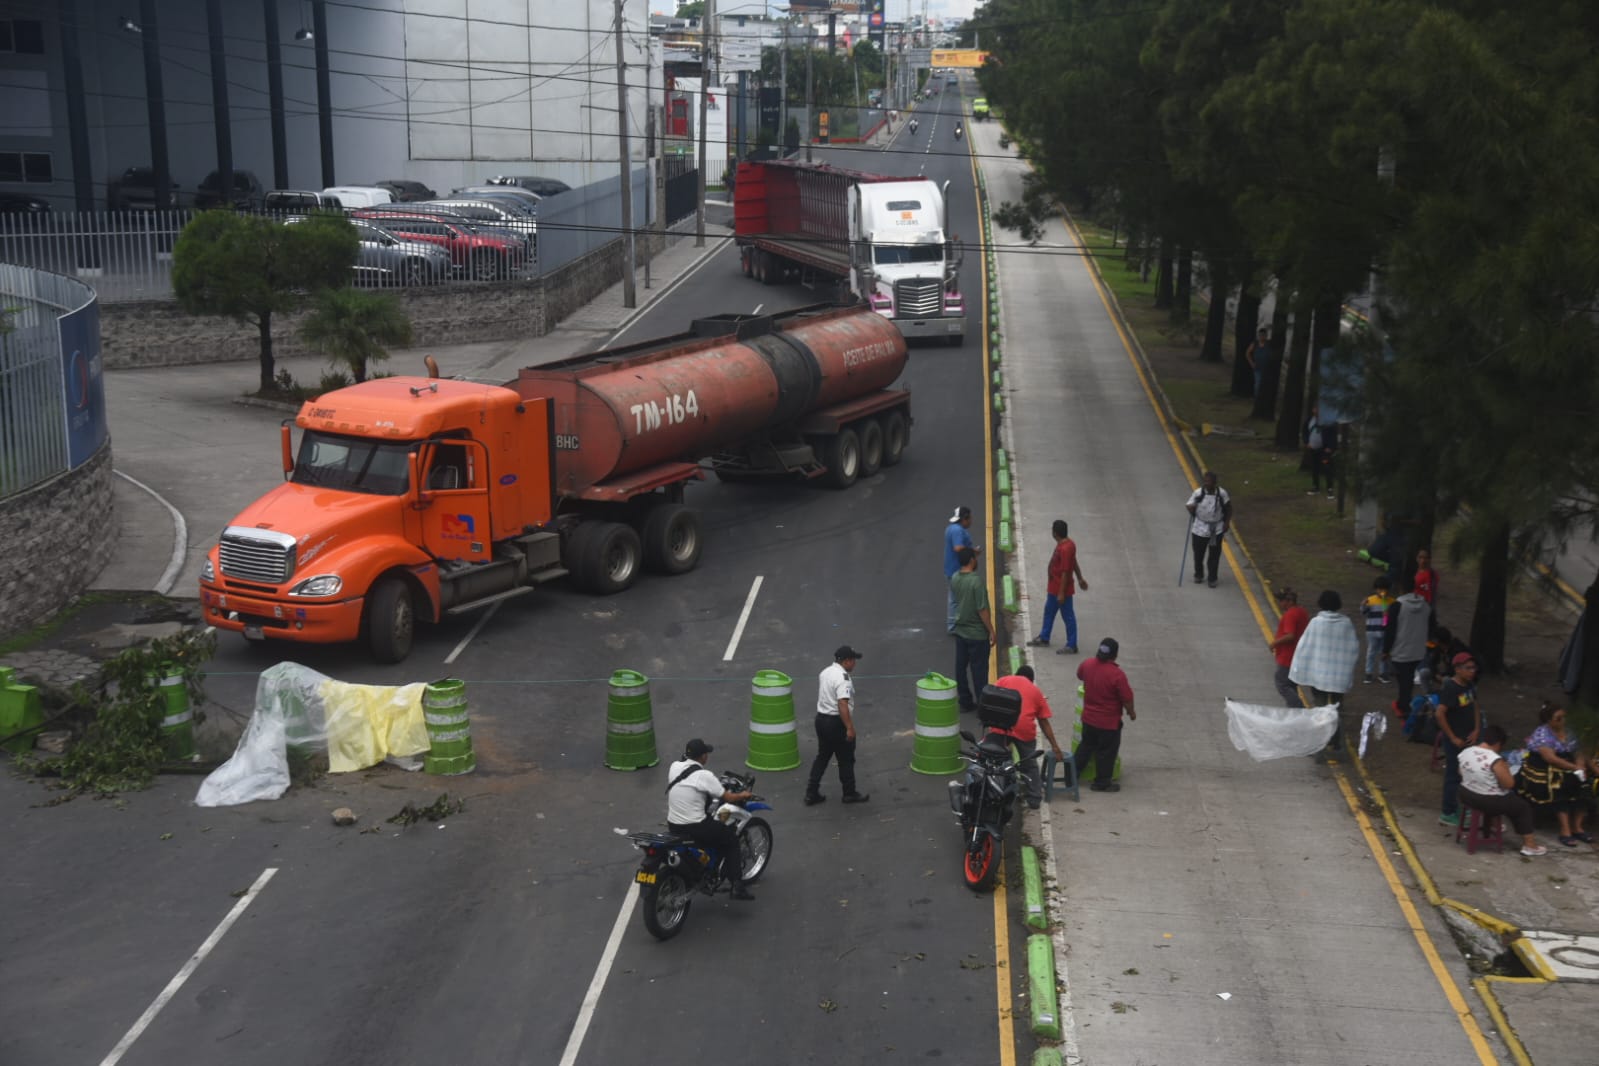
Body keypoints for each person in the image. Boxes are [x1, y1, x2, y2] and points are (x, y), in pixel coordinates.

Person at [666, 738, 757, 900]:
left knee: (713, 830)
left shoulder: (674, 767)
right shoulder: (704, 776)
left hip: (673, 825)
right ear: (702, 757)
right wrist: (743, 795)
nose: (707, 756)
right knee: (730, 839)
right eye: (706, 753)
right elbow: (728, 797)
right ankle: (737, 886)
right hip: (695, 827)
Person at [1459, 725, 1549, 857]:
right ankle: (1529, 845)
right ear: (1497, 743)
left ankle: (1492, 825)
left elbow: (1460, 772)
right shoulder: (1495, 759)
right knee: (1522, 807)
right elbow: (1509, 784)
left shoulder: (1466, 752)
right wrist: (1505, 769)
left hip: (1466, 794)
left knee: (1499, 797)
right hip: (1487, 800)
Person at [1287, 590, 1360, 752]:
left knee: (1320, 707)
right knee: (1337, 708)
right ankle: (1336, 740)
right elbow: (1353, 648)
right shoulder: (1346, 623)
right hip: (1338, 677)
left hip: (1318, 675)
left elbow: (1304, 647)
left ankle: (1319, 742)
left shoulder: (1316, 623)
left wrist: (1300, 668)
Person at [1514, 702, 1593, 846]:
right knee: (1560, 786)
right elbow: (1550, 758)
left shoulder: (1568, 731)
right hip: (1547, 768)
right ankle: (1565, 830)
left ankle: (1577, 827)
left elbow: (1578, 750)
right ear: (1549, 721)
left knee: (1586, 785)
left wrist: (1580, 764)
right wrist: (1574, 767)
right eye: (1558, 718)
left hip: (1569, 764)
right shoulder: (1542, 734)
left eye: (1563, 717)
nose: (1563, 721)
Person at [989, 665, 1065, 810]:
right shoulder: (1035, 691)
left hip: (1001, 725)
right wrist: (1055, 746)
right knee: (1029, 764)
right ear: (1031, 679)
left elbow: (991, 697)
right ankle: (1034, 799)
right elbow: (1044, 722)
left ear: (1016, 674)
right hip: (1024, 730)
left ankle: (1000, 791)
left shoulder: (1004, 680)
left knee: (997, 760)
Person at [805, 645, 869, 806]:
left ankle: (811, 793)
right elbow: (842, 703)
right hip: (836, 723)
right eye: (853, 660)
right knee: (846, 759)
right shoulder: (843, 678)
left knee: (822, 757)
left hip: (821, 720)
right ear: (846, 661)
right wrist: (849, 727)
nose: (855, 664)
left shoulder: (825, 672)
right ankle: (849, 793)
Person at [1074, 638, 1135, 792]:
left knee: (1086, 746)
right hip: (1108, 723)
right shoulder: (1117, 675)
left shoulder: (1087, 664)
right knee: (1106, 752)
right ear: (1115, 655)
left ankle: (1071, 774)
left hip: (1088, 719)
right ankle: (1101, 782)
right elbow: (1127, 698)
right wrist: (1131, 712)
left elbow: (1080, 675)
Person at [1027, 519, 1089, 654]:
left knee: (1068, 616)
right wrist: (1080, 578)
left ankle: (1072, 644)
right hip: (1054, 587)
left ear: (1055, 533)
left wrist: (1061, 593)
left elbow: (1066, 571)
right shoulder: (1066, 544)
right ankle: (1044, 636)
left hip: (1061, 589)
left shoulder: (1066, 548)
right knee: (1049, 611)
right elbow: (1074, 562)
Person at [1434, 652, 1482, 827]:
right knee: (1453, 775)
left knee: (1467, 774)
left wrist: (1476, 729)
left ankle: (1461, 807)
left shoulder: (1469, 686)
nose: (1472, 671)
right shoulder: (1450, 688)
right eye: (1468, 668)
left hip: (1469, 738)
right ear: (1457, 669)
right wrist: (1452, 737)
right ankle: (1447, 812)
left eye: (1473, 668)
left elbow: (1475, 706)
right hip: (1456, 740)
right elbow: (1440, 714)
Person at [950, 547, 996, 712]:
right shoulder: (976, 582)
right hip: (977, 634)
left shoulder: (955, 578)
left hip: (961, 631)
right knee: (979, 672)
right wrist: (991, 630)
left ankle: (965, 701)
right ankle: (983, 704)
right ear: (971, 561)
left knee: (960, 668)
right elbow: (982, 610)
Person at [1383, 575, 1434, 722]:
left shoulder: (1397, 606)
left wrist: (1386, 650)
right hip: (1418, 650)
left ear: (1400, 588)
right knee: (1408, 678)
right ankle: (1403, 702)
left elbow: (1390, 630)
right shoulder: (1426, 605)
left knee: (1404, 679)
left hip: (1400, 650)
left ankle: (1404, 707)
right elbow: (1431, 626)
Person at [1185, 471, 1232, 588]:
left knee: (1214, 555)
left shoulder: (1222, 494)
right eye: (1205, 481)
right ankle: (1199, 575)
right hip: (1200, 528)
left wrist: (1227, 523)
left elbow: (1229, 508)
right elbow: (1189, 505)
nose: (1206, 484)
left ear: (1215, 483)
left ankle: (1212, 578)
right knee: (1198, 554)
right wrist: (1192, 509)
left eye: (1209, 482)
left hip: (1216, 529)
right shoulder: (1198, 493)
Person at [1268, 587, 1311, 706]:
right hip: (1298, 655)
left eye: (1282, 601)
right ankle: (1294, 714)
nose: (1280, 603)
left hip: (1288, 656)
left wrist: (1274, 643)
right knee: (1291, 685)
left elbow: (1290, 635)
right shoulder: (1302, 611)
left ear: (1290, 601)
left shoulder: (1290, 614)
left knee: (1282, 684)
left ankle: (1299, 710)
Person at [943, 505, 980, 633]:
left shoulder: (951, 529)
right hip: (957, 570)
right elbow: (958, 548)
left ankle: (956, 623)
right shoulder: (957, 531)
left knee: (956, 598)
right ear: (964, 518)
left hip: (951, 569)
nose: (971, 521)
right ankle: (953, 626)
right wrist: (973, 550)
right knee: (956, 599)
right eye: (970, 518)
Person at [1360, 575, 1394, 684]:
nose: (1382, 591)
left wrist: (1387, 615)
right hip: (1372, 630)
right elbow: (1363, 613)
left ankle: (1383, 673)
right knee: (1371, 652)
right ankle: (1368, 672)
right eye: (1380, 589)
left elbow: (1394, 617)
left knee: (1384, 652)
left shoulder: (1392, 602)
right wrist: (1363, 605)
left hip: (1385, 631)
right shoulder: (1370, 600)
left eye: (1385, 589)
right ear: (1376, 589)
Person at [1244, 327, 1271, 398]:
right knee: (1257, 385)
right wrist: (1252, 363)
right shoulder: (1255, 343)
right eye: (1260, 335)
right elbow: (1247, 353)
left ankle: (1264, 399)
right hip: (1257, 368)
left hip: (1267, 369)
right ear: (1258, 335)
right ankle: (1257, 399)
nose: (1262, 337)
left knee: (1266, 386)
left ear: (1266, 335)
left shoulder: (1269, 344)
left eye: (1263, 335)